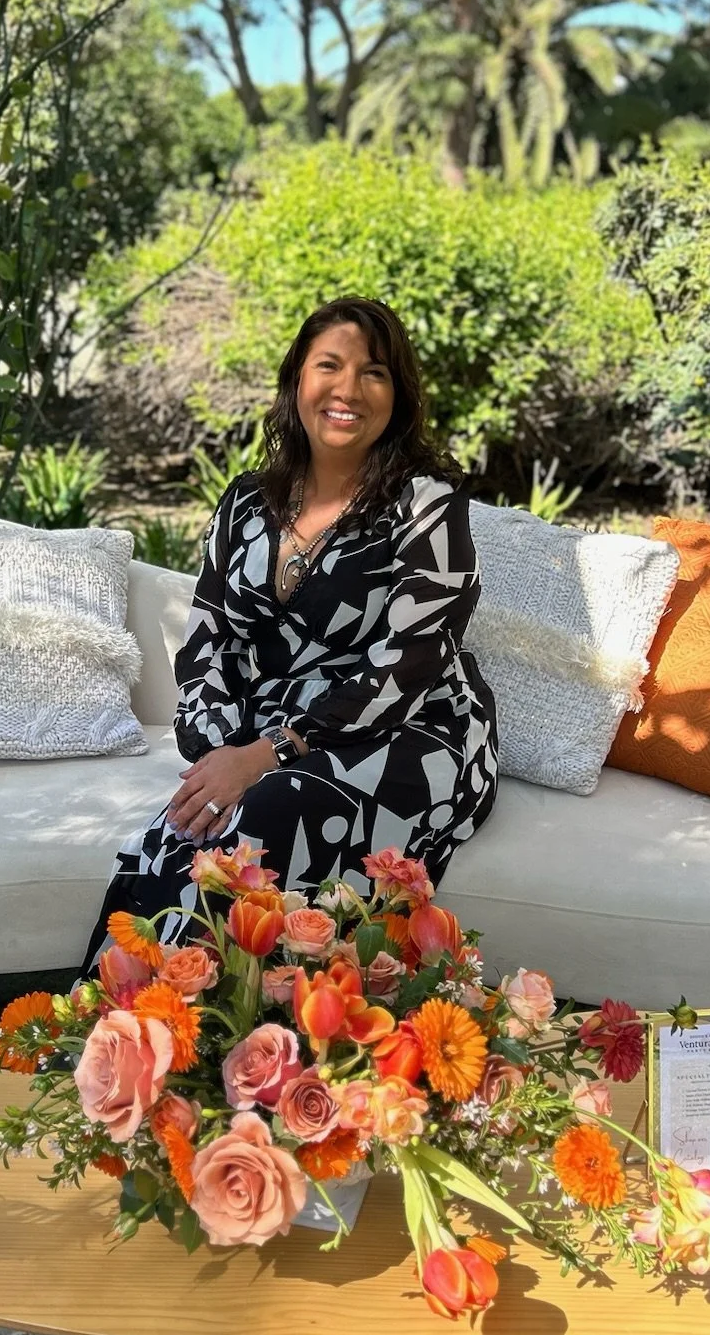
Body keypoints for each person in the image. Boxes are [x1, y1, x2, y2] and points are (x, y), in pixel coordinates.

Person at [90, 296, 498, 960]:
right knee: (185, 831)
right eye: (328, 366)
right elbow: (211, 639)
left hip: (411, 727)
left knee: (277, 808)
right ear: (296, 381)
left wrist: (265, 755)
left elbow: (409, 662)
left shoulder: (426, 502)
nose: (347, 389)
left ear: (399, 395)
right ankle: (117, 1032)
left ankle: (219, 1027)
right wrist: (221, 754)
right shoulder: (248, 503)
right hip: (283, 722)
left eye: (374, 373)